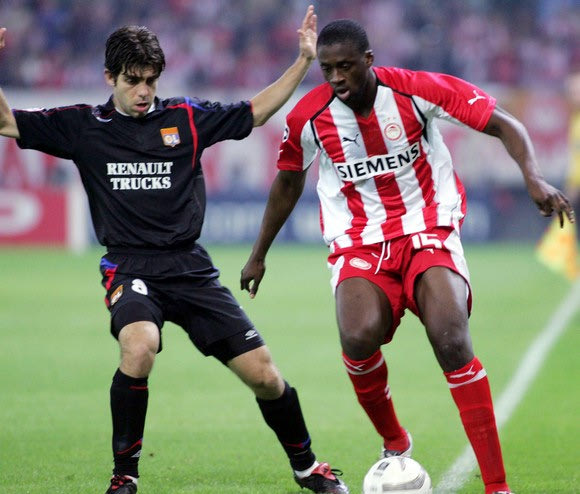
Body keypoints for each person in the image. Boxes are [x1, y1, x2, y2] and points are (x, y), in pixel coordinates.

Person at [0, 7, 350, 494]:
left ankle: (308, 468)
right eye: (133, 81)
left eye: (151, 80)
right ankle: (125, 475)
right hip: (129, 266)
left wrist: (304, 60)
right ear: (109, 77)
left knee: (266, 377)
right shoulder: (83, 126)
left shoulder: (185, 118)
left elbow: (255, 111)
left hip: (190, 268)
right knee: (139, 344)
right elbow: (6, 122)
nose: (144, 91)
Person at [240, 19, 576, 494]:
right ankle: (395, 440)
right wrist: (259, 254)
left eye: (345, 67)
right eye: (327, 69)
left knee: (451, 338)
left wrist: (533, 178)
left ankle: (497, 486)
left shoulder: (415, 90)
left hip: (427, 227)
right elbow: (288, 182)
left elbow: (505, 123)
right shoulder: (308, 118)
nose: (336, 78)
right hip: (359, 240)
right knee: (357, 336)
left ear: (369, 61)